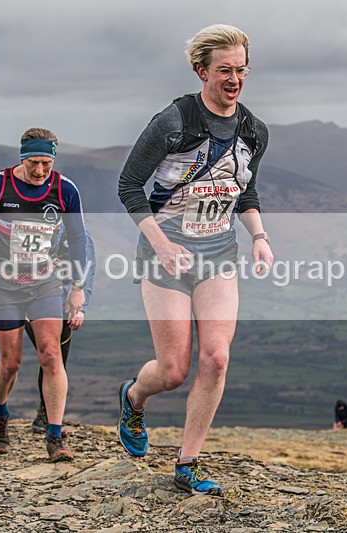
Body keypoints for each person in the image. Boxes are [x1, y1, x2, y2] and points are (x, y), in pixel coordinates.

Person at [116, 24, 272, 496]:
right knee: (173, 370)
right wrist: (161, 243)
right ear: (201, 70)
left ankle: (188, 462)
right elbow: (128, 187)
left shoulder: (253, 131)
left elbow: (245, 191)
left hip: (218, 254)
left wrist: (260, 236)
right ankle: (134, 396)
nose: (234, 79)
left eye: (241, 70)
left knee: (217, 359)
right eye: (224, 70)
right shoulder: (173, 122)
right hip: (163, 257)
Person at [0, 127, 88, 462]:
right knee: (12, 362)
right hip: (5, 284)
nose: (39, 171)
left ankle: (55, 436)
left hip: (45, 282)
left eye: (46, 164)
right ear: (22, 158)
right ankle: (0, 413)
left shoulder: (64, 190)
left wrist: (77, 287)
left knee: (51, 355)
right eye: (34, 162)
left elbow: (79, 240)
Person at [26, 227, 96, 434]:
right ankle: (43, 415)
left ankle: (45, 414)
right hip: (29, 298)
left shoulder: (78, 231)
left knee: (55, 357)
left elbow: (87, 268)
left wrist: (80, 308)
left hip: (64, 303)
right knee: (50, 353)